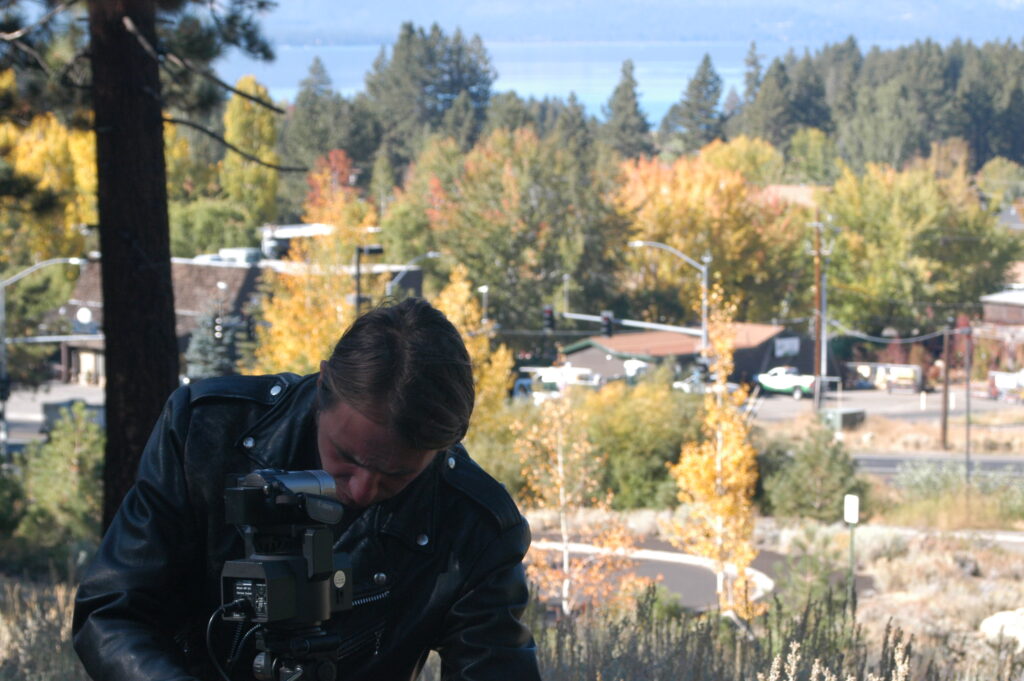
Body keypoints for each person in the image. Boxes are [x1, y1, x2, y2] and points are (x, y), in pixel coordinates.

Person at [72, 298, 541, 681]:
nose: (358, 490)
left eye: (395, 476)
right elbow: (112, 611)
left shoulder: (474, 524)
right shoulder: (205, 431)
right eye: (348, 458)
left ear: (443, 450)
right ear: (322, 391)